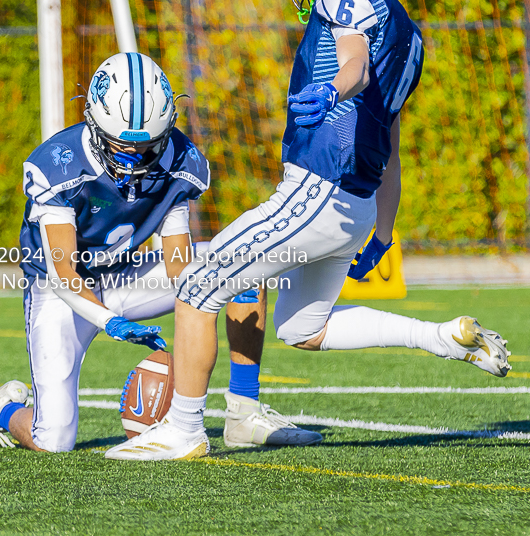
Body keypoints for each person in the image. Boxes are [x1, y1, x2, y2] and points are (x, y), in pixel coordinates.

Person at [105, 0, 511, 461]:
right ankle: (439, 337)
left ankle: (183, 429)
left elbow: (355, 66)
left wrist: (334, 92)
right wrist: (382, 231)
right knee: (303, 328)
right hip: (357, 204)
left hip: (319, 189)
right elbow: (391, 145)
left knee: (197, 286)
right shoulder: (409, 35)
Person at [0, 52, 322, 452]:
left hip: (127, 274)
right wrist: (109, 320)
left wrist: (201, 305)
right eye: (119, 146)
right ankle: (2, 410)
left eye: (146, 146)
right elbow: (63, 273)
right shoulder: (59, 164)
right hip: (61, 291)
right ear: (94, 123)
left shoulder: (180, 160)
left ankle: (243, 413)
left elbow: (178, 263)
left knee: (240, 264)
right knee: (53, 440)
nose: (132, 159)